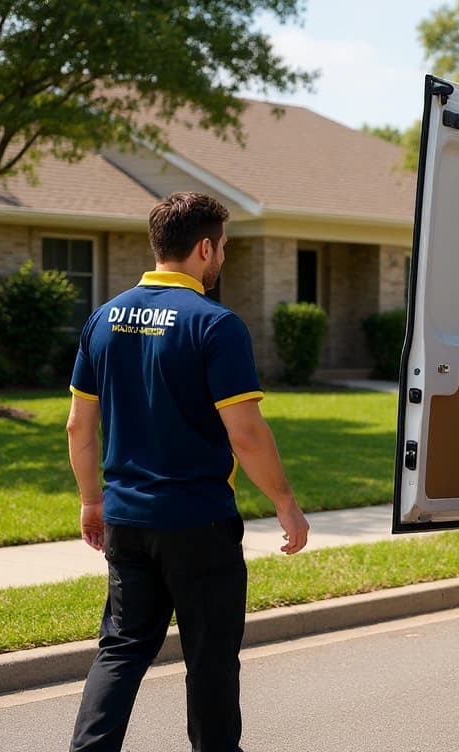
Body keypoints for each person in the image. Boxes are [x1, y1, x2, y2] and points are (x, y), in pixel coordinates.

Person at [66, 192, 310, 752]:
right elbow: (245, 433)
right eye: (222, 246)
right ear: (205, 247)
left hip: (127, 520)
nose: (221, 257)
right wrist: (284, 501)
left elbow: (79, 428)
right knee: (210, 660)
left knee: (122, 650)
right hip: (199, 524)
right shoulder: (217, 325)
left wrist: (91, 501)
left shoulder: (103, 319)